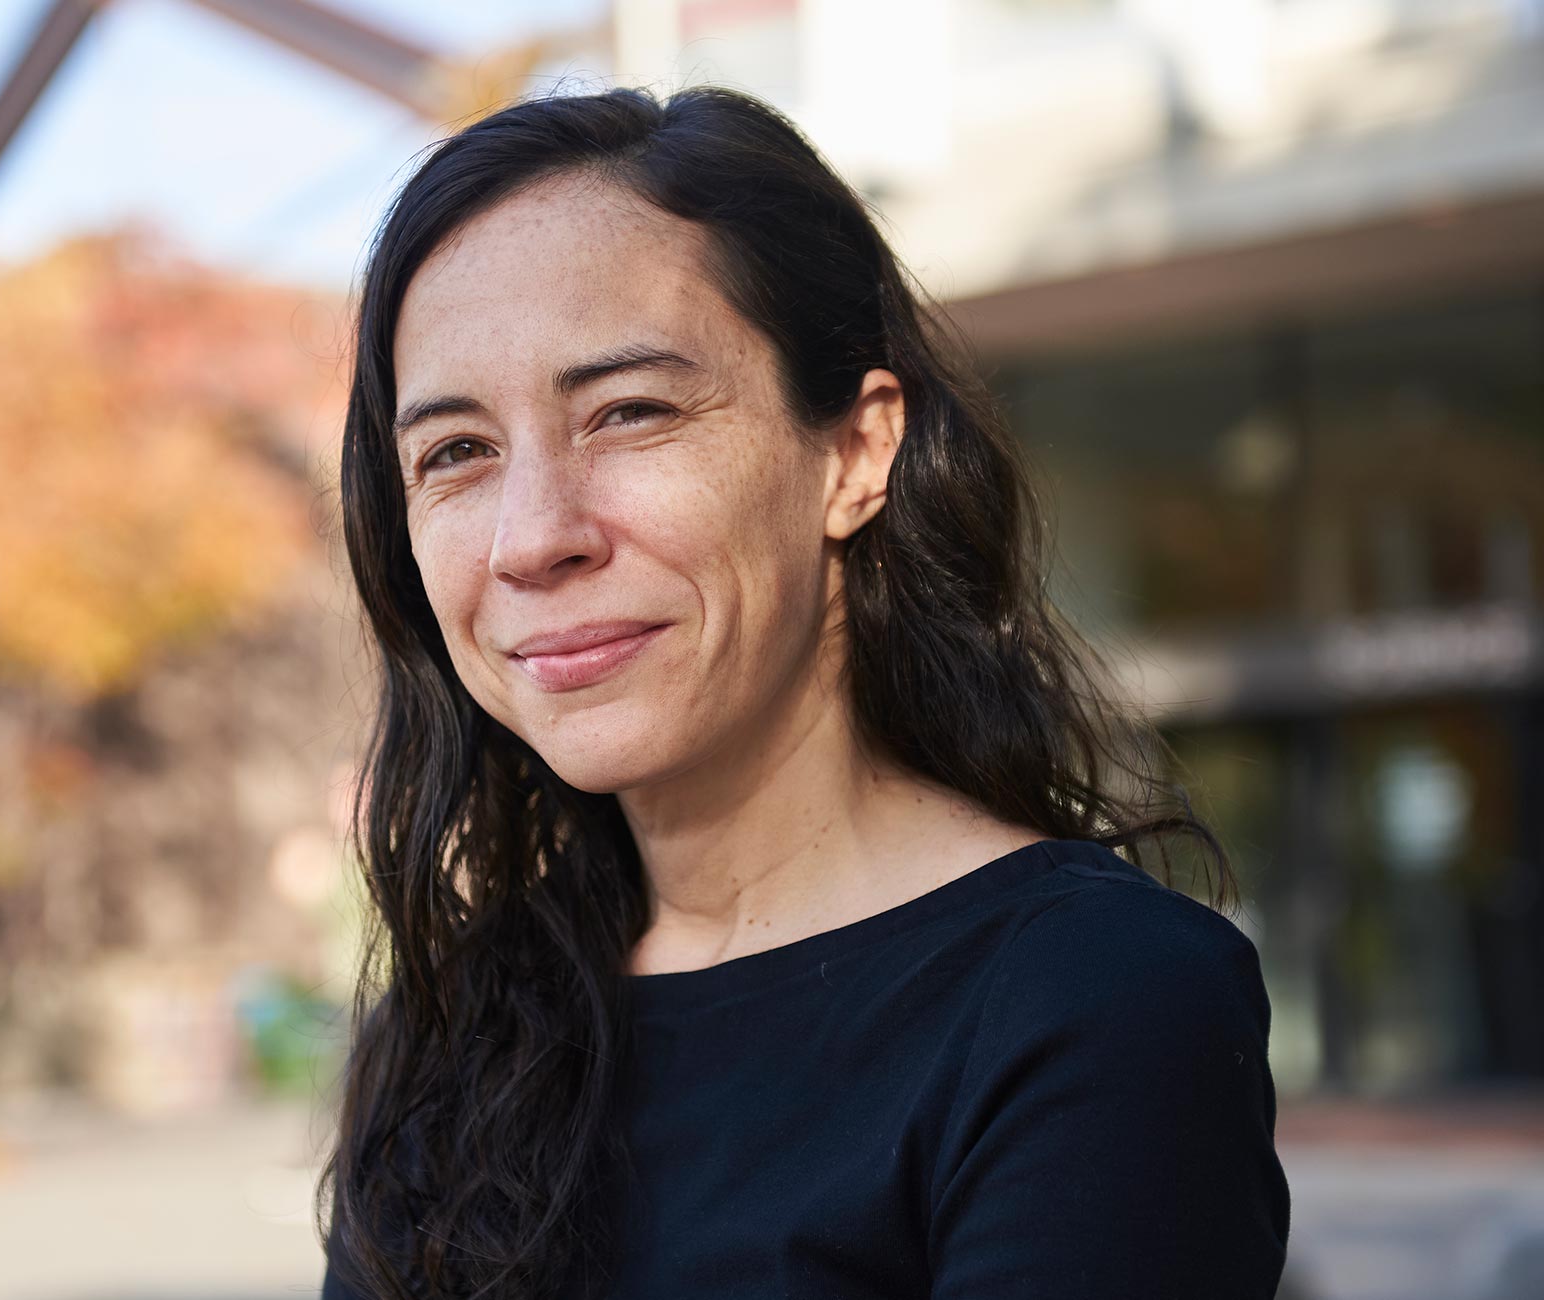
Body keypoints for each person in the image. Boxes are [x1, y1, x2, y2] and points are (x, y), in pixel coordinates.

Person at [316, 83, 1291, 1300]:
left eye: (627, 412)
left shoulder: (1095, 1002)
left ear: (854, 451)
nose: (530, 539)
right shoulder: (462, 1026)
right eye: (455, 452)